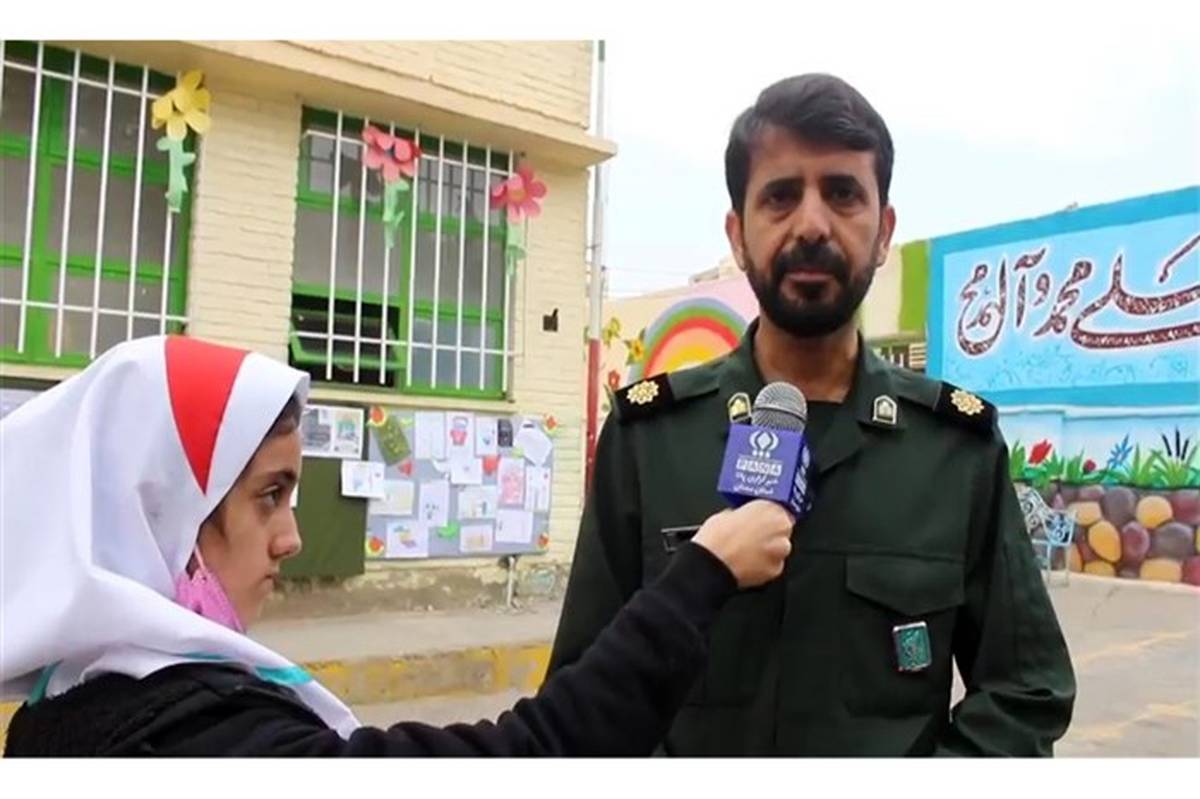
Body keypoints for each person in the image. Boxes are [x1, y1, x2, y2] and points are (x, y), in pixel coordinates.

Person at [548, 74, 1076, 756]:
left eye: (843, 193)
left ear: (884, 232)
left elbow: (1025, 693)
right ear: (738, 235)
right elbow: (583, 705)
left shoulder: (956, 451)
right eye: (780, 196)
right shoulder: (649, 441)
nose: (812, 224)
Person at [0, 335, 795, 756]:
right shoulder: (201, 741)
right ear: (159, 511)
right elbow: (532, 758)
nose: (291, 537)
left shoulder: (62, 711)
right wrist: (703, 572)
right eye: (269, 495)